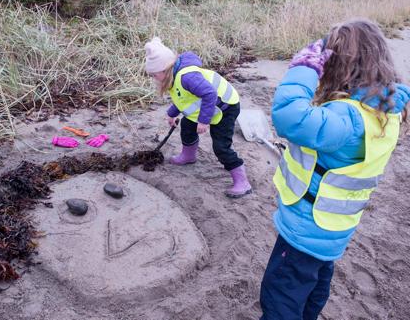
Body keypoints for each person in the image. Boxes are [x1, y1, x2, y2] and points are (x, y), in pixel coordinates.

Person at [260, 18, 410, 319]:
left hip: (305, 227)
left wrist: (304, 68)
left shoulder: (347, 118)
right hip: (334, 230)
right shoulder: (385, 110)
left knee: (280, 294)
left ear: (339, 65)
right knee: (314, 284)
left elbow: (290, 117)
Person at [144, 37, 252, 198]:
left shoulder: (187, 77)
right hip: (209, 106)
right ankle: (189, 155)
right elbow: (185, 99)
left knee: (221, 146)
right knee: (187, 126)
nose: (153, 78)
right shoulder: (174, 77)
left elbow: (210, 94)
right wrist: (171, 114)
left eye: (154, 75)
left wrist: (203, 121)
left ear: (164, 69)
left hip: (225, 107)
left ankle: (242, 181)